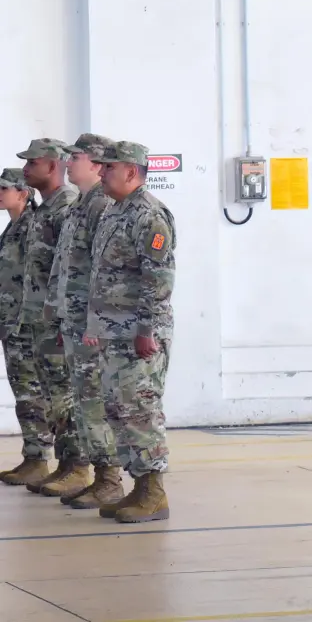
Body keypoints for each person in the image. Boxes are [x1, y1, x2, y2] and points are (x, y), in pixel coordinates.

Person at [85, 140, 175, 523]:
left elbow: (159, 278)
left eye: (109, 167)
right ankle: (138, 486)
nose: (101, 172)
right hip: (113, 332)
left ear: (132, 172)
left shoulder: (149, 215)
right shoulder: (114, 211)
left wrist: (146, 329)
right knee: (118, 409)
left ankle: (154, 492)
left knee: (140, 409)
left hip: (139, 334)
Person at [45, 133, 121, 509]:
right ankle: (87, 472)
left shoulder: (101, 206)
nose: (68, 163)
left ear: (95, 163)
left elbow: (104, 272)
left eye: (75, 158)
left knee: (95, 402)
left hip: (91, 326)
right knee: (82, 401)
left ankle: (109, 480)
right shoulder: (80, 205)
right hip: (73, 321)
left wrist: (96, 322)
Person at [12, 138, 80, 492]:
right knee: (52, 396)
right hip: (38, 321)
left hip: (57, 322)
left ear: (53, 166)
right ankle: (63, 464)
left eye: (32, 163)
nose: (25, 169)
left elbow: (71, 269)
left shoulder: (66, 207)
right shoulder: (43, 209)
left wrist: (63, 320)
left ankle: (77, 467)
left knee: (65, 395)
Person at [0, 167, 44, 485]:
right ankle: (33, 457)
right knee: (23, 392)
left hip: (26, 325)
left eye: (4, 189)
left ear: (23, 193)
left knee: (32, 392)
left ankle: (40, 458)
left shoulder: (33, 227)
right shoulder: (12, 227)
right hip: (10, 322)